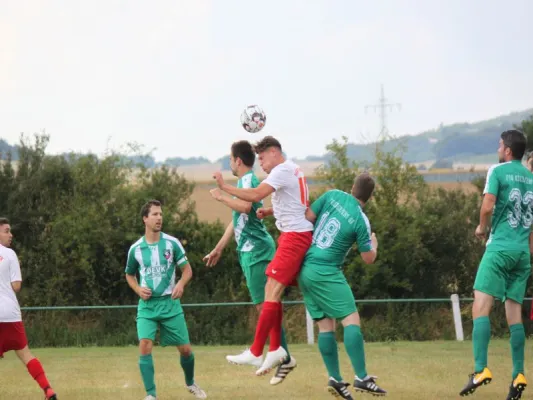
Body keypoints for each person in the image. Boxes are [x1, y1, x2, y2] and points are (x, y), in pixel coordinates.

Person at [212, 136, 313, 376]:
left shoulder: (277, 172)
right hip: (287, 237)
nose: (261, 163)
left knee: (270, 296)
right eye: (257, 158)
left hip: (286, 240)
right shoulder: (291, 170)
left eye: (262, 157)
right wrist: (269, 211)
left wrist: (223, 189)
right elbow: (294, 204)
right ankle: (276, 350)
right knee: (271, 293)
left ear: (274, 152)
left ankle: (260, 352)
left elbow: (253, 198)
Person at [299, 173, 387, 399]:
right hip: (326, 270)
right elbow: (368, 258)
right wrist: (374, 245)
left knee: (326, 326)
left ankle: (336, 379)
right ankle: (361, 377)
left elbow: (308, 216)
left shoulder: (332, 195)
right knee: (351, 320)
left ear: (352, 187)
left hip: (306, 267)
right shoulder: (361, 219)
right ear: (370, 197)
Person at [459, 130, 532, 400]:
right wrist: (526, 252)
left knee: (481, 303)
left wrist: (481, 228)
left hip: (499, 249)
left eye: (500, 144)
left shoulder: (497, 171)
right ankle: (519, 374)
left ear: (508, 150)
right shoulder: (531, 178)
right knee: (514, 315)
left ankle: (480, 369)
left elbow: (488, 206)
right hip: (522, 253)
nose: (498, 148)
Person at [125, 200, 207, 400]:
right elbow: (129, 274)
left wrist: (180, 284)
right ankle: (151, 395)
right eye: (154, 214)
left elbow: (187, 270)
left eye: (160, 214)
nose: (159, 218)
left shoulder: (172, 243)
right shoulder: (135, 249)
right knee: (145, 344)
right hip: (148, 306)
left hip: (170, 304)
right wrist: (137, 289)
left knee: (186, 350)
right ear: (145, 219)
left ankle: (190, 383)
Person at [0, 217, 58, 400]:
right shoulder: (9, 254)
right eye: (6, 231)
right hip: (10, 314)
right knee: (26, 354)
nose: (11, 234)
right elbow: (16, 286)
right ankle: (48, 390)